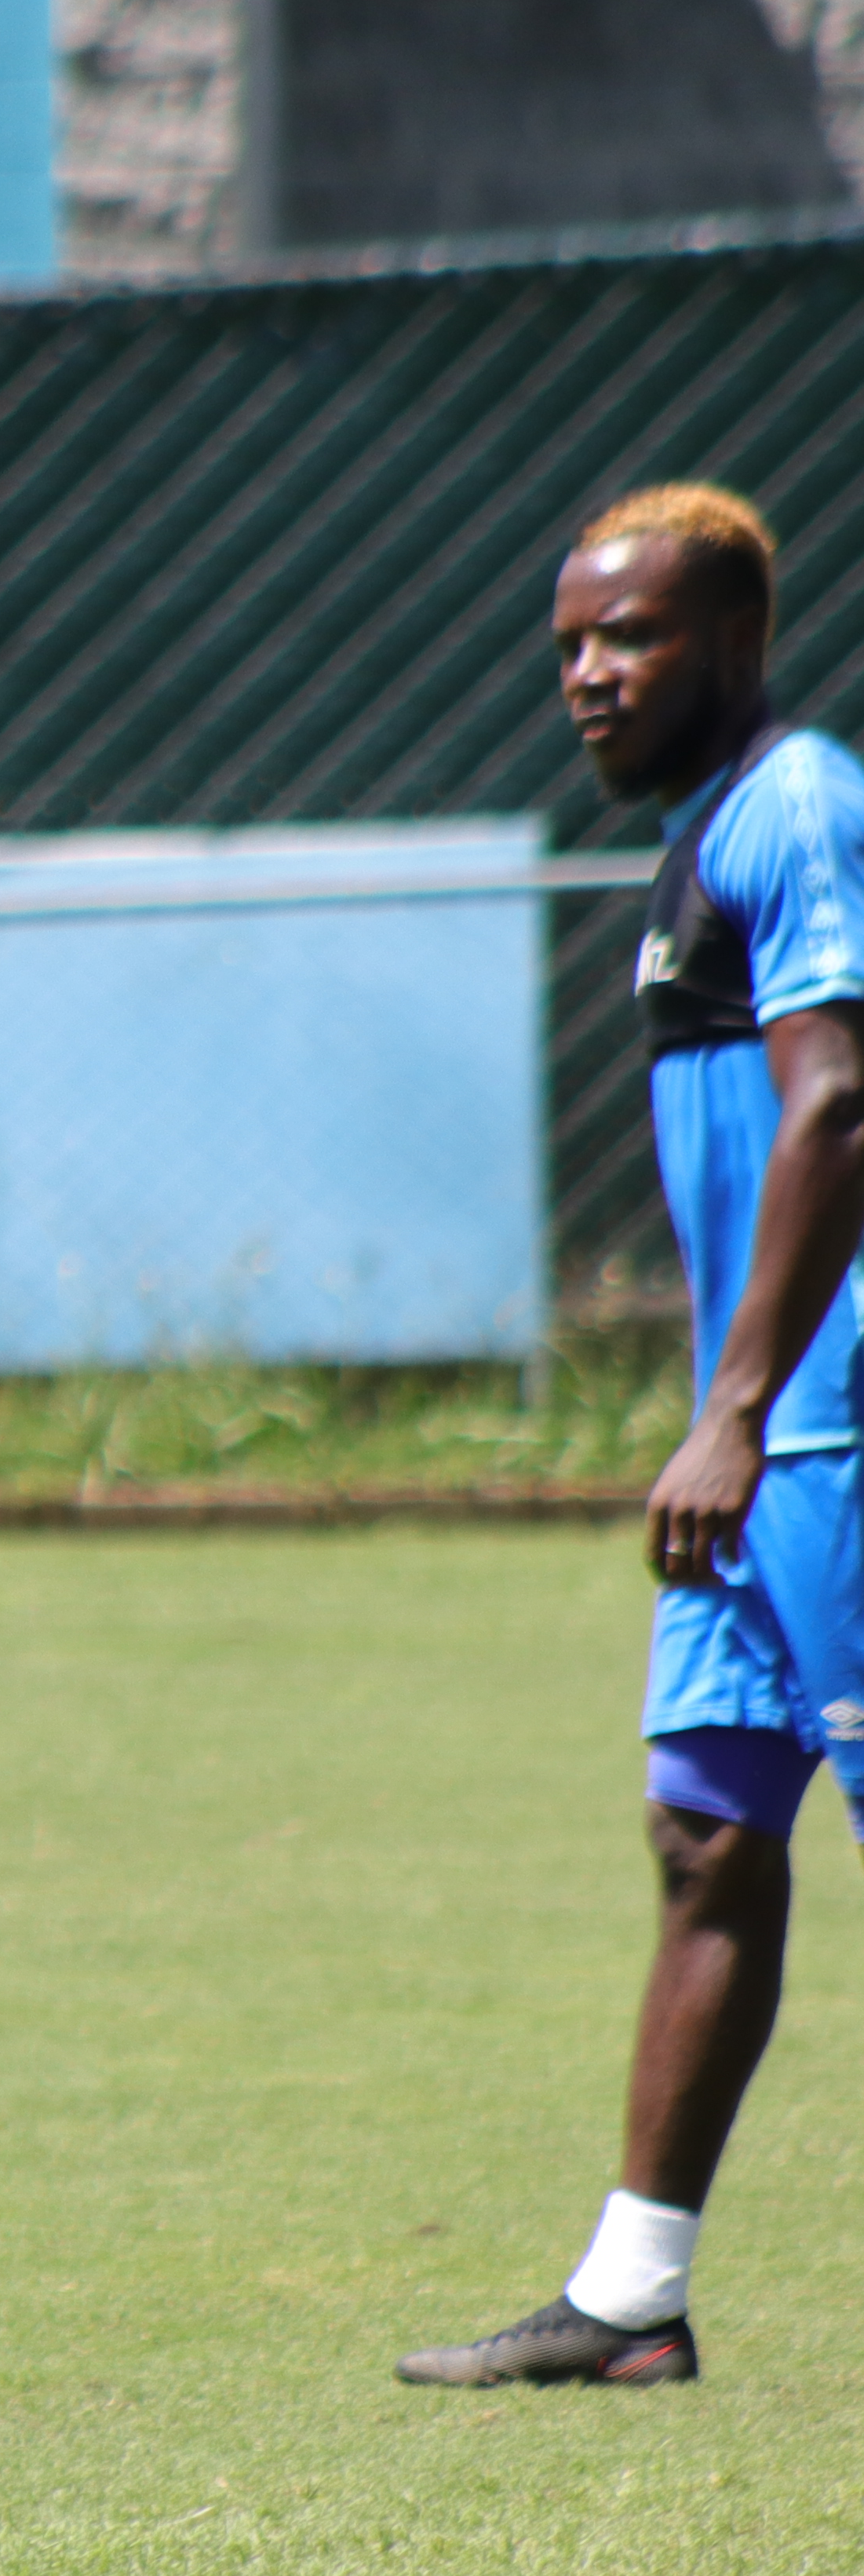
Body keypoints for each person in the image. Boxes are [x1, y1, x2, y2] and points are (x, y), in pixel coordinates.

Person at [403, 484, 864, 2388]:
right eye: (572, 646)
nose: (589, 676)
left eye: (631, 638)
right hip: (758, 1456)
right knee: (704, 1836)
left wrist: (743, 1409)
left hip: (828, 1440)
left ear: (736, 639)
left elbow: (841, 1104)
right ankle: (631, 2296)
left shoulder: (803, 805)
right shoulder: (702, 835)